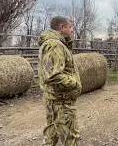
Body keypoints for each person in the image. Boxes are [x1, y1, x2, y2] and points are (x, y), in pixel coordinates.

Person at [38, 16, 82, 145]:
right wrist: (74, 83)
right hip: (61, 101)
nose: (72, 30)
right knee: (71, 138)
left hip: (54, 99)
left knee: (51, 135)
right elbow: (53, 75)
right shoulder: (54, 45)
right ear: (62, 28)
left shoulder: (56, 44)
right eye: (70, 27)